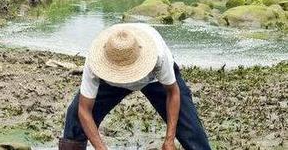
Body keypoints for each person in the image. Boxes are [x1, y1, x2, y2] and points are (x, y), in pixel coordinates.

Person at [59, 23, 211, 150]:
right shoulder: (95, 61)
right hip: (110, 81)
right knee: (75, 120)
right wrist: (100, 148)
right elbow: (84, 110)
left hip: (153, 79)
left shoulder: (158, 55)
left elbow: (173, 93)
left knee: (190, 128)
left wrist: (169, 140)